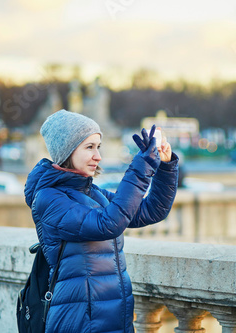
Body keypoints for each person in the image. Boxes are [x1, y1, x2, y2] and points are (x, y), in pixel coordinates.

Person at [24, 109, 179, 333]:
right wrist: (143, 164)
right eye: (89, 147)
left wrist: (164, 166)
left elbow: (152, 210)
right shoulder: (49, 199)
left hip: (113, 316)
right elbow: (109, 223)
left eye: (98, 147)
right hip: (80, 320)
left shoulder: (93, 193)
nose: (98, 156)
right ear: (66, 151)